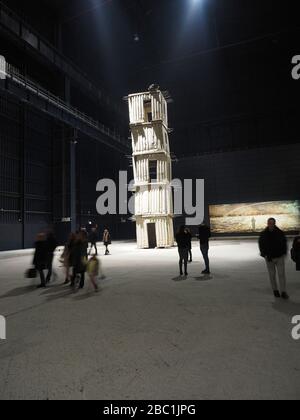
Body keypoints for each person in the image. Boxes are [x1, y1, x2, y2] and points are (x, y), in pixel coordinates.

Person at [259, 218, 289, 299]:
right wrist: (264, 254)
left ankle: (283, 291)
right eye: (269, 223)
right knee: (272, 275)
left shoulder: (280, 233)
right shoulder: (263, 234)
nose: (271, 224)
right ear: (267, 223)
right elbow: (261, 245)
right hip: (269, 258)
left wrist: (283, 253)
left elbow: (284, 244)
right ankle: (275, 290)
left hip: (279, 257)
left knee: (281, 274)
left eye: (272, 223)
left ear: (274, 223)